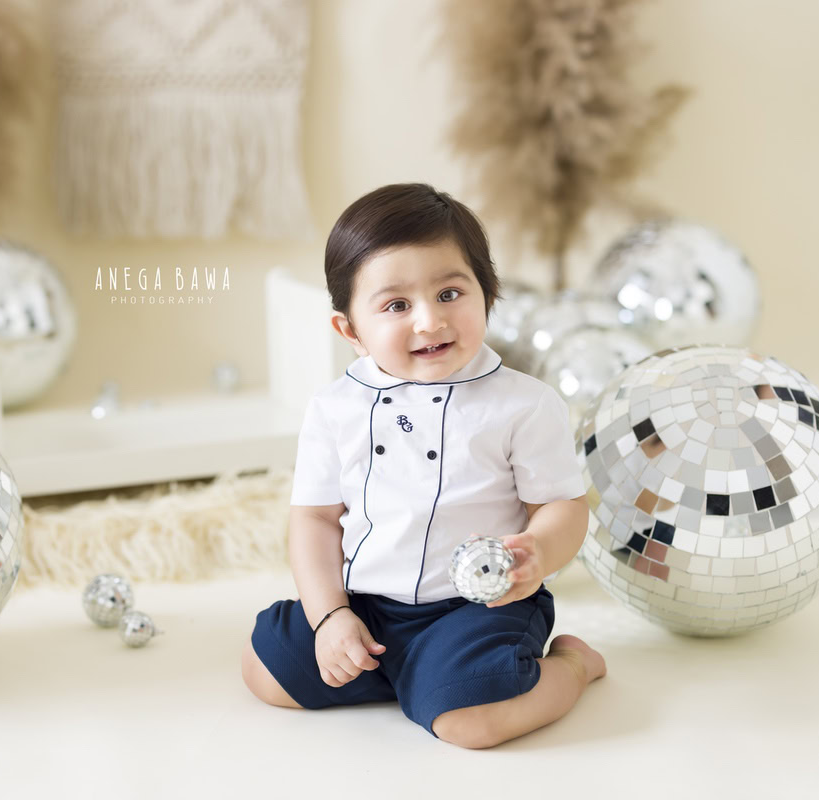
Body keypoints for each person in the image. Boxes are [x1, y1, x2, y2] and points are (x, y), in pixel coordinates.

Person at [241, 183, 606, 748]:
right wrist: (331, 617)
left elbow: (561, 505)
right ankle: (417, 674)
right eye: (395, 306)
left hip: (480, 607)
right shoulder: (336, 407)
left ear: (488, 294)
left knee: (469, 724)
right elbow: (314, 520)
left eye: (450, 293)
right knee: (264, 668)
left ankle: (570, 669)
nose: (430, 322)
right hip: (369, 606)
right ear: (351, 331)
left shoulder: (524, 404)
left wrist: (540, 552)